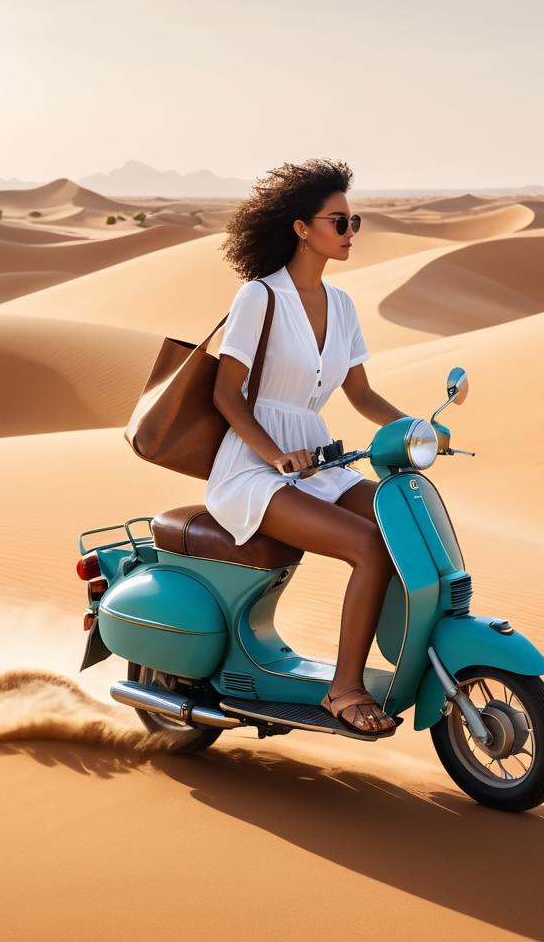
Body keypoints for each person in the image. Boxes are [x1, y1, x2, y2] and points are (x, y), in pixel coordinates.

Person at [206, 158, 410, 737]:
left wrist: (416, 426)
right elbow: (227, 395)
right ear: (302, 228)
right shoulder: (260, 297)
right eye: (338, 222)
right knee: (369, 545)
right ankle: (343, 689)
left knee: (399, 518)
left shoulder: (342, 306)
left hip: (318, 465)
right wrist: (273, 454)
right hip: (254, 469)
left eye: (354, 222)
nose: (350, 234)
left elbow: (362, 393)